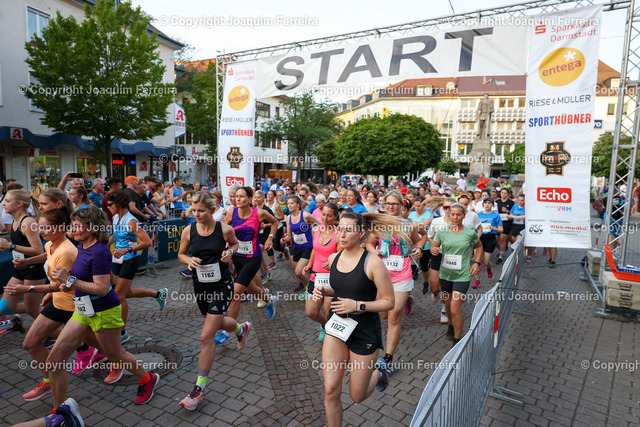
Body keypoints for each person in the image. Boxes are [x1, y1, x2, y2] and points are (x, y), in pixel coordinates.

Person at [45, 206, 160, 411]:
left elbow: (102, 288)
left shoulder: (99, 251)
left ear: (91, 227)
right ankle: (59, 412)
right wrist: (69, 283)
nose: (72, 229)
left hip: (104, 310)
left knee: (115, 355)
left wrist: (70, 280)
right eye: (72, 225)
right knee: (54, 360)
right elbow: (86, 276)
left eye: (77, 225)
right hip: (82, 309)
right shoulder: (82, 246)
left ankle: (147, 378)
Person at [7, 207, 106, 402]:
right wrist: (26, 262)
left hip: (74, 308)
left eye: (45, 228)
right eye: (39, 227)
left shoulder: (68, 251)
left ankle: (127, 365)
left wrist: (27, 289)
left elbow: (63, 286)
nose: (40, 231)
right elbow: (46, 255)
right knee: (29, 343)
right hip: (58, 303)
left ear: (60, 228)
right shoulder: (50, 244)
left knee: (105, 347)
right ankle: (48, 382)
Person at [314, 212, 399, 427]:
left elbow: (389, 301)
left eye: (348, 230)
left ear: (361, 233)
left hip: (364, 330)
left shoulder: (373, 263)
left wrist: (358, 305)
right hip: (337, 326)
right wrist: (323, 291)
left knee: (357, 396)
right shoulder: (334, 258)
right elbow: (342, 289)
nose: (342, 235)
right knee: (331, 390)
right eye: (340, 229)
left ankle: (380, 372)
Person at [177, 191, 251, 410]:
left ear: (211, 210)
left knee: (206, 336)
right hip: (200, 285)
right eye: (193, 210)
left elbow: (236, 245)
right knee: (216, 322)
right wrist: (188, 260)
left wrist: (231, 253)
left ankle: (198, 389)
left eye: (200, 211)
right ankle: (240, 329)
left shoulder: (224, 229)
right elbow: (181, 254)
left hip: (222, 285)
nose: (196, 214)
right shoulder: (189, 230)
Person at [366, 190, 423, 373]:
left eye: (395, 204)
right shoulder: (378, 223)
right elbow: (369, 244)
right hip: (381, 274)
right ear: (384, 205)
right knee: (383, 314)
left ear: (401, 206)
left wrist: (419, 249)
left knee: (393, 316)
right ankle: (407, 300)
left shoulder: (409, 225)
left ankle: (387, 359)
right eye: (388, 203)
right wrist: (374, 252)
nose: (391, 206)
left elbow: (420, 240)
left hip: (402, 273)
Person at [217, 187, 278, 345]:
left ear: (250, 199)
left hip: (253, 258)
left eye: (242, 196)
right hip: (238, 257)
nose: (238, 199)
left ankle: (227, 332)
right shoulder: (232, 213)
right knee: (251, 289)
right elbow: (224, 231)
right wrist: (225, 249)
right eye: (236, 196)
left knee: (236, 293)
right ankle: (269, 300)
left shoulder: (259, 213)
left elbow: (275, 222)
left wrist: (270, 238)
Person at [105, 190, 167, 346]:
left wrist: (127, 250)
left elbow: (146, 242)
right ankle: (159, 294)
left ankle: (122, 333)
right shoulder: (116, 217)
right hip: (118, 258)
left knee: (119, 294)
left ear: (119, 204)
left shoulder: (131, 221)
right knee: (126, 292)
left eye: (110, 204)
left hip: (130, 259)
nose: (108, 207)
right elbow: (115, 235)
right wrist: (104, 245)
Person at [430, 202, 483, 346]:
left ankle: (457, 341)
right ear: (449, 214)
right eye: (452, 214)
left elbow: (479, 247)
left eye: (458, 215)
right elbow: (434, 247)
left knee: (455, 307)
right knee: (447, 305)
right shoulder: (442, 232)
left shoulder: (469, 233)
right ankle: (451, 325)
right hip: (445, 274)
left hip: (462, 275)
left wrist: (476, 263)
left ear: (464, 216)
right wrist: (434, 250)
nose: (455, 217)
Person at [0, 190, 46, 321]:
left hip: (34, 271)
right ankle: (50, 314)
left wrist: (11, 246)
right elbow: (20, 246)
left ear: (19, 204)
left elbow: (38, 250)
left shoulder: (28, 223)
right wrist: (7, 246)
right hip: (20, 270)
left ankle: (57, 329)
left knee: (32, 310)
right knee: (3, 308)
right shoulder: (15, 221)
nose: (3, 204)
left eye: (7, 201)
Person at [302, 202, 341, 341]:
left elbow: (341, 255)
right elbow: (314, 249)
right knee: (311, 312)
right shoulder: (316, 230)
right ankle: (325, 325)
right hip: (316, 276)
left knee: (327, 310)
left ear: (335, 217)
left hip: (332, 278)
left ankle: (332, 337)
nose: (324, 218)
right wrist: (309, 264)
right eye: (323, 214)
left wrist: (332, 262)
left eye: (329, 216)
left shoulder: (339, 234)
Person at [281, 195, 319, 293]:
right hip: (296, 246)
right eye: (288, 203)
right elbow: (289, 236)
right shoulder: (288, 218)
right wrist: (285, 239)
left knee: (298, 271)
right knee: (296, 271)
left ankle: (311, 290)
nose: (289, 205)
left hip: (308, 247)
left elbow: (319, 224)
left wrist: (315, 234)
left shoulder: (305, 215)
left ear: (298, 205)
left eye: (292, 203)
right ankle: (307, 287)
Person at [476, 197, 503, 288]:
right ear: (483, 204)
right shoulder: (478, 215)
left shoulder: (496, 215)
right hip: (479, 237)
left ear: (492, 205)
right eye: (486, 203)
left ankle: (488, 267)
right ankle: (477, 281)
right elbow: (474, 226)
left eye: (489, 203)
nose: (487, 205)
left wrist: (493, 228)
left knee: (486, 261)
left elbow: (501, 229)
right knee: (477, 261)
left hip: (490, 238)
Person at [409, 197, 432, 295]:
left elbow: (425, 225)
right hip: (411, 243)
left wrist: (412, 224)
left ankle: (426, 282)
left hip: (424, 243)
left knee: (424, 267)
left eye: (419, 206)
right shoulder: (412, 214)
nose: (417, 208)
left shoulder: (428, 214)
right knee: (410, 267)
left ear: (424, 205)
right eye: (415, 206)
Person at [496, 188, 515, 264]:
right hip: (498, 223)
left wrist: (507, 211)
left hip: (507, 223)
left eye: (505, 193)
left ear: (508, 194)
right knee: (497, 240)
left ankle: (500, 256)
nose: (503, 194)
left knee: (502, 240)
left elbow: (513, 213)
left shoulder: (511, 203)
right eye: (502, 193)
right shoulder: (497, 202)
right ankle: (503, 249)